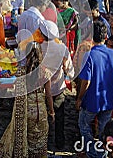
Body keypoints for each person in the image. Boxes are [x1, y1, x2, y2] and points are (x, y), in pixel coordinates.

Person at [0, 41, 55, 157]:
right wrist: (52, 111)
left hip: (25, 110)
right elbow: (48, 95)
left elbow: (16, 91)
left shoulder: (21, 72)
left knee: (27, 138)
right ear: (41, 54)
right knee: (40, 139)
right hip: (40, 111)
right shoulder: (45, 72)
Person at [76, 21, 113, 158]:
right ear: (106, 36)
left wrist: (79, 98)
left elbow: (86, 81)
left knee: (84, 125)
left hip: (91, 100)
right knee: (104, 128)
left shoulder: (89, 55)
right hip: (108, 99)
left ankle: (91, 152)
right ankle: (103, 153)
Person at [39, 20, 74, 150]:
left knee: (42, 118)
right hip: (58, 87)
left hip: (41, 89)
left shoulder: (38, 47)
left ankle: (44, 142)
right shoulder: (62, 48)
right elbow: (68, 68)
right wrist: (70, 75)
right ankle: (59, 143)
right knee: (59, 118)